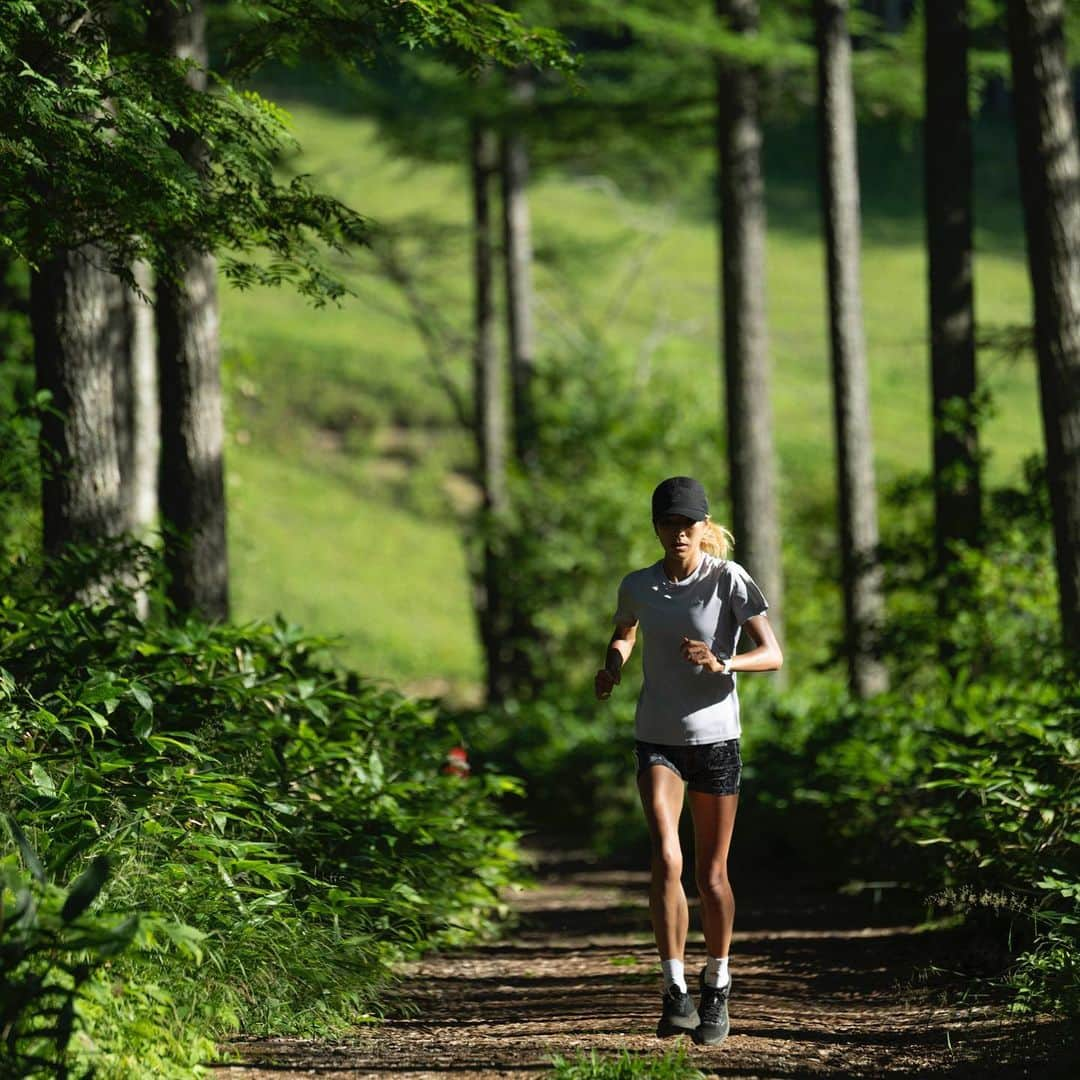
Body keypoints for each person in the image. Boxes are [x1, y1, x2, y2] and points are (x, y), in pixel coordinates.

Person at [594, 476, 783, 1047]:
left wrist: (723, 662)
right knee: (666, 856)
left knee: (712, 875)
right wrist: (613, 665)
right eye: (669, 525)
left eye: (688, 525)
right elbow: (624, 632)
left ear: (704, 527)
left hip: (717, 741)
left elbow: (771, 655)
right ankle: (674, 988)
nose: (679, 534)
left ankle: (717, 982)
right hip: (657, 737)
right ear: (656, 528)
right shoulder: (640, 585)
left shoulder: (729, 579)